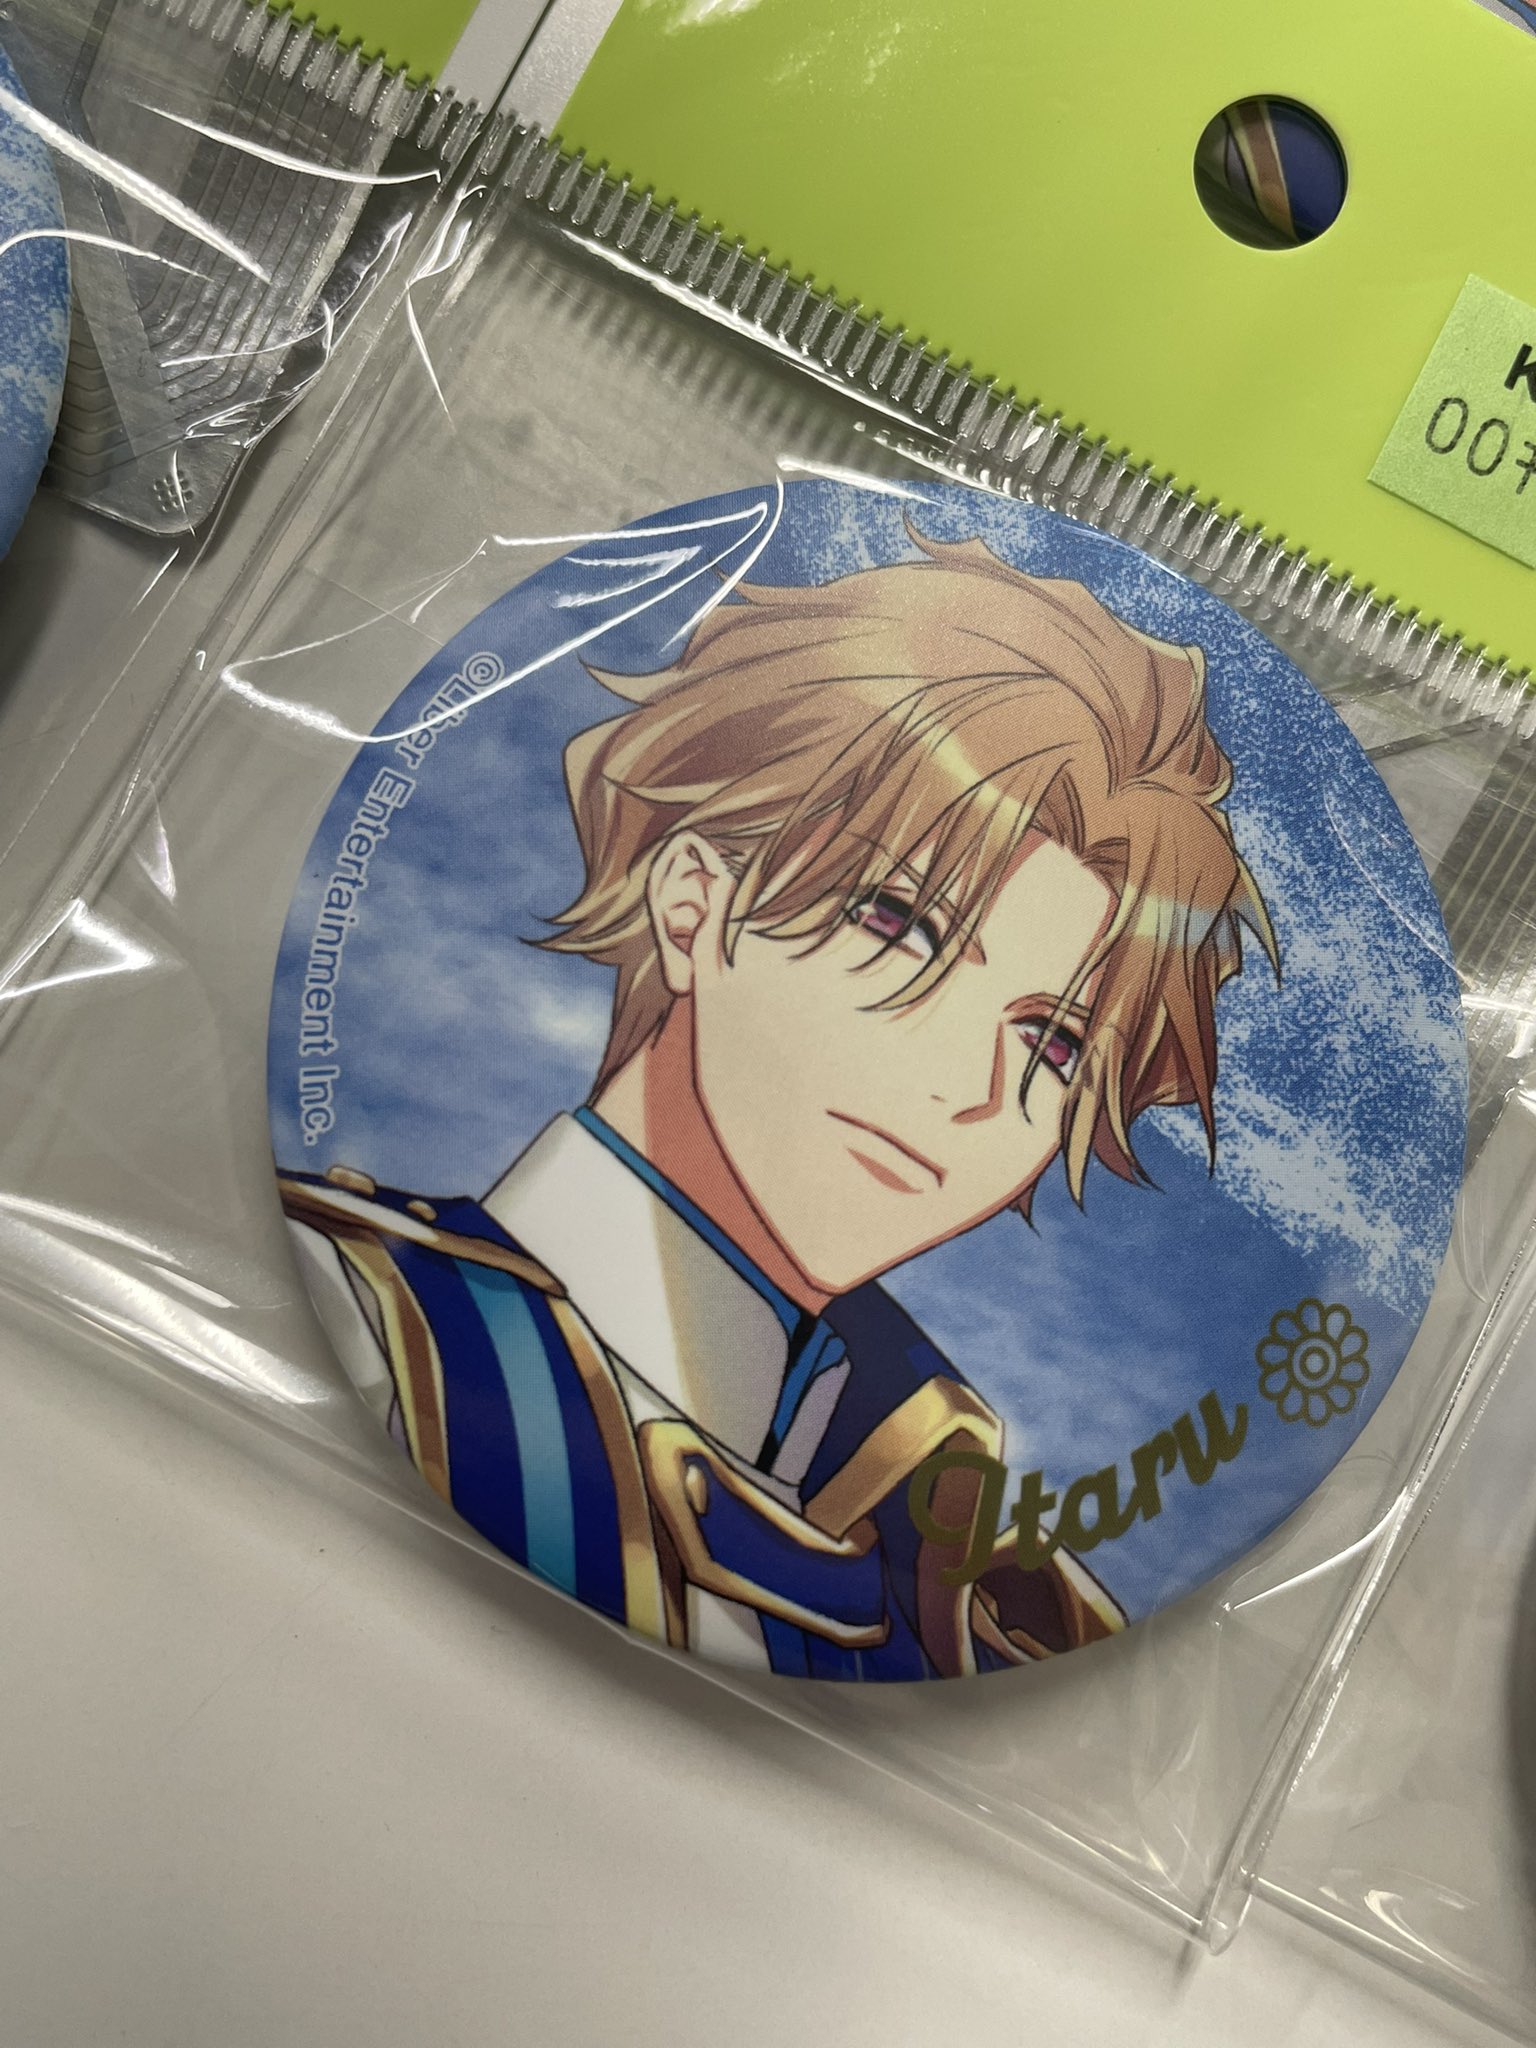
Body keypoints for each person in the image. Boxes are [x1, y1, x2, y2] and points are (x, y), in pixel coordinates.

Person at [282, 527, 1277, 1681]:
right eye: (900, 926)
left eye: (1051, 1042)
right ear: (693, 903)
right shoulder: (378, 1322)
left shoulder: (994, 1599)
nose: (966, 1089)